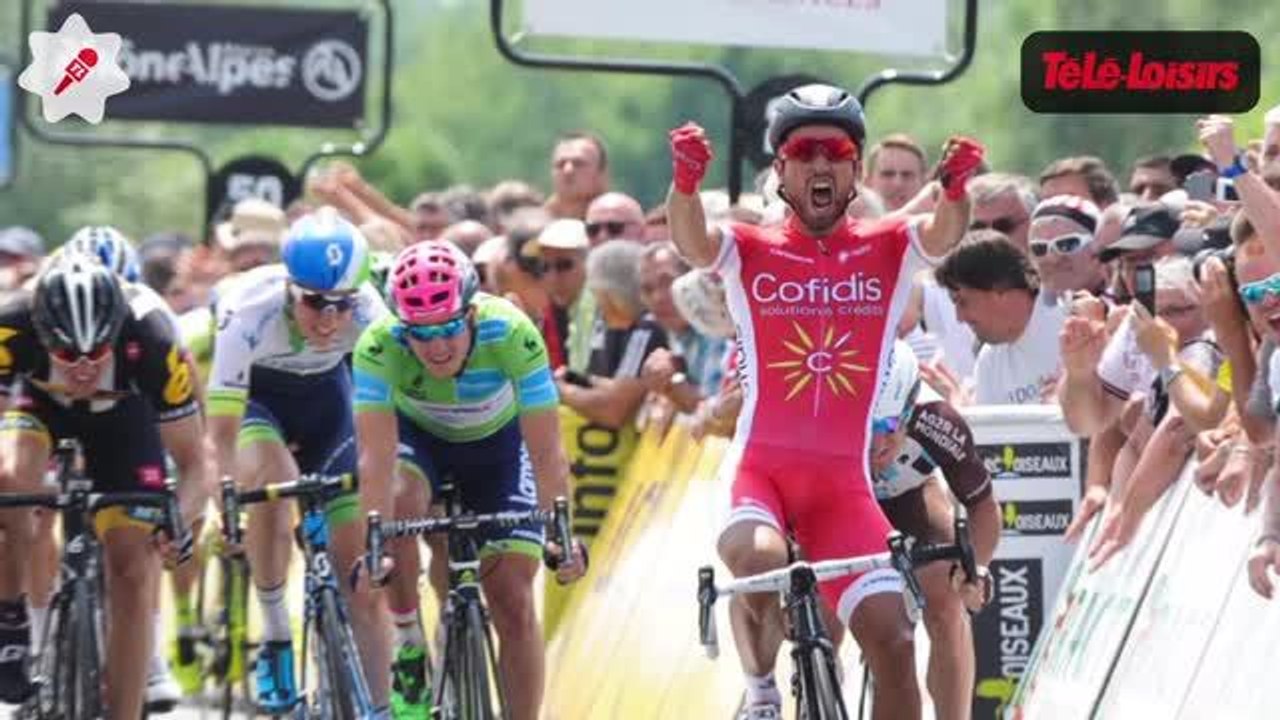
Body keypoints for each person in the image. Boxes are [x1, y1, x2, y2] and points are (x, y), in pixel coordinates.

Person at [667, 82, 982, 720]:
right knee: (761, 561)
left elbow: (945, 235)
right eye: (802, 151)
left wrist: (954, 190)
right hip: (762, 473)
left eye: (834, 151)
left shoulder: (887, 244)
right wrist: (685, 185)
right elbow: (693, 244)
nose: (819, 164)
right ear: (780, 169)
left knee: (894, 642)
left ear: (855, 169)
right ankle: (763, 686)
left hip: (843, 487)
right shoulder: (750, 247)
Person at [351, 241, 586, 720]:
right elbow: (375, 458)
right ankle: (410, 642)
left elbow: (546, 451)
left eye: (449, 328)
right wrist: (370, 548)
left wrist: (562, 534)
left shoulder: (512, 332)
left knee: (513, 600)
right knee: (399, 498)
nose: (436, 346)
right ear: (401, 327)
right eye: (420, 333)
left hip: (499, 450)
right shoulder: (378, 345)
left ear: (472, 314)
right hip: (423, 445)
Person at [0, 251, 208, 716]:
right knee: (13, 476)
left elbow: (196, 462)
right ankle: (11, 618)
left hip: (123, 420)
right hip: (38, 407)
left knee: (134, 567)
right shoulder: (12, 324)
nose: (81, 368)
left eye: (96, 352)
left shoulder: (152, 338)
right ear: (42, 333)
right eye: (66, 354)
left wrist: (183, 518)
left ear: (116, 333)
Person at [204, 207, 388, 713]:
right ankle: (277, 632)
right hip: (259, 406)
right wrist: (223, 502)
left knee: (361, 582)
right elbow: (219, 432)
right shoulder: (247, 310)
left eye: (341, 305)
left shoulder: (372, 313)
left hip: (329, 403)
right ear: (291, 287)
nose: (329, 320)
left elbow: (393, 418)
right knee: (275, 483)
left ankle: (378, 705)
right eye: (314, 303)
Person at [869, 342, 1000, 720]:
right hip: (842, 504)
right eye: (867, 427)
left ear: (910, 410)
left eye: (889, 427)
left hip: (910, 496)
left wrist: (977, 568)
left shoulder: (937, 420)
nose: (877, 444)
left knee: (946, 601)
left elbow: (983, 507)